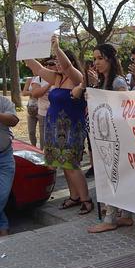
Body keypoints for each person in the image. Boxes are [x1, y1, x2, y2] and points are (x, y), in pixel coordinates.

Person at [26, 37, 92, 215]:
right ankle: (74, 196)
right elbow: (37, 68)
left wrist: (56, 47)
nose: (57, 65)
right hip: (54, 128)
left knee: (72, 165)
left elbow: (68, 67)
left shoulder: (77, 76)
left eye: (59, 61)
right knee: (64, 165)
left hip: (71, 128)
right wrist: (23, 49)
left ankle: (86, 199)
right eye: (55, 63)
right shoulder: (56, 78)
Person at [86, 43, 132, 233]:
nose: (95, 62)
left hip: (116, 137)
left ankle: (110, 218)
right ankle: (126, 216)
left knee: (111, 176)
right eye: (94, 58)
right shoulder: (103, 81)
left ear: (110, 60)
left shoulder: (117, 82)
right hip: (107, 136)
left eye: (100, 58)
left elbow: (125, 105)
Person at [0, 95, 18, 236]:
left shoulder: (4, 102)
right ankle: (4, 229)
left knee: (2, 195)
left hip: (5, 157)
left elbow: (13, 120)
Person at [30, 60, 55, 150]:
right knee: (44, 140)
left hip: (59, 115)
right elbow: (35, 94)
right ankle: (43, 161)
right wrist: (49, 84)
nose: (48, 66)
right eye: (46, 64)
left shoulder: (62, 77)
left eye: (52, 64)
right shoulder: (39, 78)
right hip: (44, 114)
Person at [21, 77, 39, 146]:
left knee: (42, 132)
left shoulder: (44, 78)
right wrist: (34, 93)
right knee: (31, 131)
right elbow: (24, 93)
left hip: (42, 108)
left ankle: (42, 151)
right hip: (31, 108)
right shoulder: (30, 80)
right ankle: (34, 147)